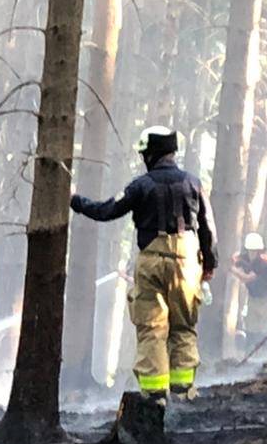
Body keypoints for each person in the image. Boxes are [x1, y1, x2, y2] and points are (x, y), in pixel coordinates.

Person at [71, 126, 217, 402]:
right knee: (183, 327)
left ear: (151, 154)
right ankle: (183, 392)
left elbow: (107, 210)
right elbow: (208, 227)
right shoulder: (194, 183)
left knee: (152, 328)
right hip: (188, 264)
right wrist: (209, 263)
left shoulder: (140, 185)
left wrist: (76, 201)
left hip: (152, 262)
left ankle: (154, 396)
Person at [230, 232, 267, 342]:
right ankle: (252, 350)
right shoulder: (245, 259)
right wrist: (234, 259)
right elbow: (237, 259)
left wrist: (232, 269)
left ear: (259, 251)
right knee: (252, 331)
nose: (252, 253)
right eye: (250, 250)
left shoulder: (263, 263)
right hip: (253, 300)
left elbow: (247, 278)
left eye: (255, 250)